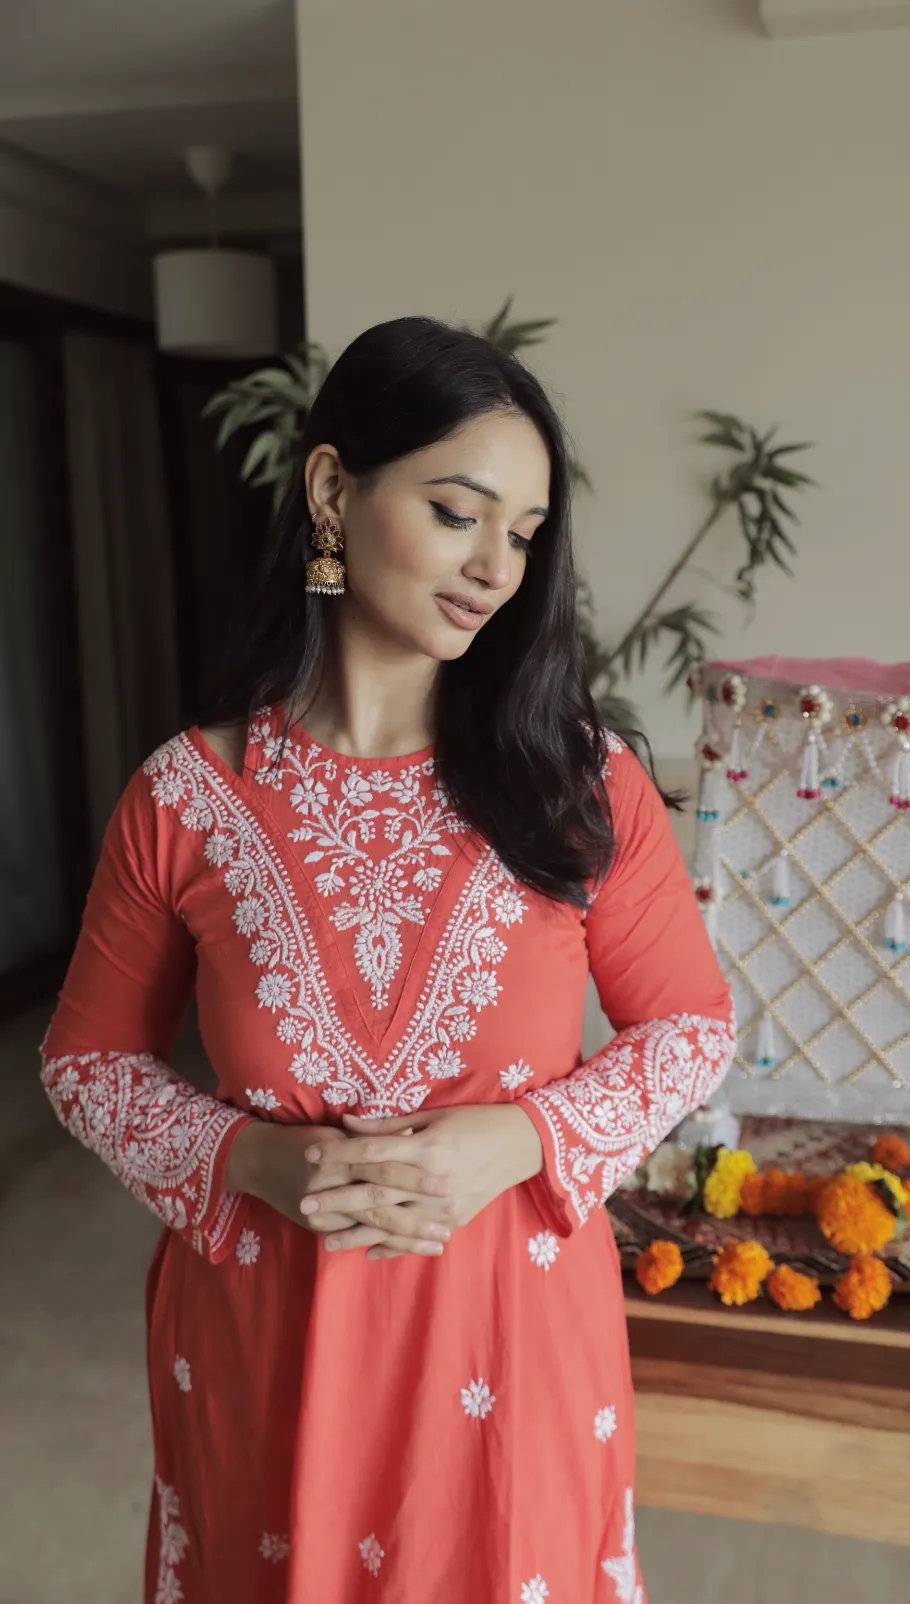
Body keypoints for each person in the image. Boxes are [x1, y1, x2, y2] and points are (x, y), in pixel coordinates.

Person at [41, 316, 734, 1603]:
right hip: (263, 1342)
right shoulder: (186, 798)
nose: (496, 567)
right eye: (460, 511)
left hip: (513, 1336)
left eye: (525, 534)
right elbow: (84, 1061)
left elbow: (689, 1025)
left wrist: (515, 1140)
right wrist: (249, 1156)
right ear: (329, 489)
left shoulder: (581, 782)